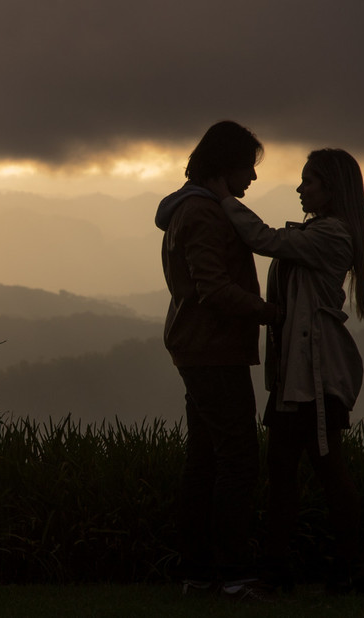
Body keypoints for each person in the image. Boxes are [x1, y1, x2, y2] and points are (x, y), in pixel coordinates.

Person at [207, 148, 364, 594]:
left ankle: (338, 568)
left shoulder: (332, 235)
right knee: (290, 470)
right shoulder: (326, 232)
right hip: (299, 378)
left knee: (321, 470)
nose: (300, 189)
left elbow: (264, 239)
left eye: (309, 182)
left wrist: (224, 199)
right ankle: (303, 568)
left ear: (331, 189)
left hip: (314, 379)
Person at [154, 121, 280, 601]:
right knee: (238, 460)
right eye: (247, 167)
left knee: (204, 460)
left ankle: (198, 571)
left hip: (196, 347)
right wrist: (272, 313)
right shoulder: (204, 215)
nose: (251, 178)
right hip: (213, 349)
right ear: (225, 165)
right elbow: (213, 287)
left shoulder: (186, 209)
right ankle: (231, 572)